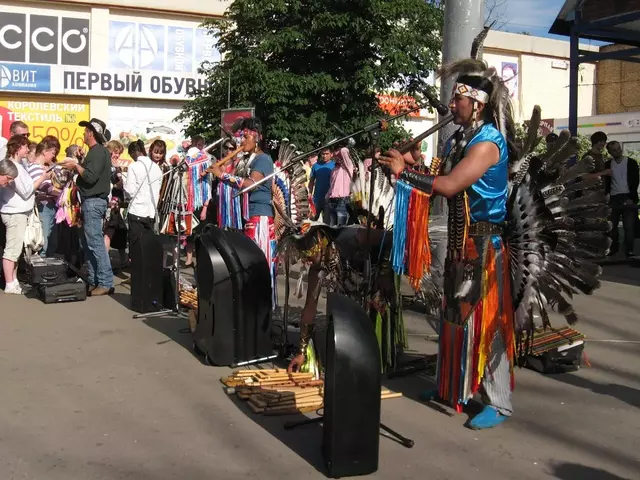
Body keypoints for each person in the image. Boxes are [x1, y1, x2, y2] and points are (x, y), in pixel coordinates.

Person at [379, 61, 516, 430]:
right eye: (453, 98)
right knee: (454, 319)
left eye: (458, 99)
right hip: (460, 243)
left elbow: (451, 185)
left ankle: (499, 402)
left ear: (478, 104)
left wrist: (404, 173)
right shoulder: (460, 139)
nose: (452, 105)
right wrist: (413, 162)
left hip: (484, 245)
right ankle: (453, 388)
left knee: (489, 325)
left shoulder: (487, 143)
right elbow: (437, 174)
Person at [209, 117, 277, 304]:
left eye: (246, 137)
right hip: (250, 217)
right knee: (249, 264)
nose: (242, 142)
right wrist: (220, 175)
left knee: (259, 264)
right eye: (241, 137)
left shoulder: (263, 159)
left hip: (261, 219)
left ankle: (265, 308)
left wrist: (222, 175)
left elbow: (251, 185)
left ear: (257, 138)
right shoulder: (250, 160)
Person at [61, 118, 113, 296]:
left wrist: (76, 165)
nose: (83, 133)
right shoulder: (96, 152)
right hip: (90, 201)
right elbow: (91, 174)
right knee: (89, 244)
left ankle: (105, 282)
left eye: (86, 131)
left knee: (95, 244)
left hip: (93, 201)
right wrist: (82, 161)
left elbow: (90, 177)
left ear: (91, 133)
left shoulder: (98, 152)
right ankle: (94, 279)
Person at [0, 135, 50, 293]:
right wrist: (43, 177)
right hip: (15, 212)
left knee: (15, 250)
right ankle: (10, 283)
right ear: (17, 148)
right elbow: (26, 191)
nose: (28, 150)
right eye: (25, 147)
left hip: (18, 211)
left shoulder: (18, 165)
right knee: (12, 250)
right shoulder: (12, 166)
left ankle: (13, 282)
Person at [123, 140, 162, 264]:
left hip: (137, 211)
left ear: (133, 153)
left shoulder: (134, 166)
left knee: (136, 247)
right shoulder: (156, 167)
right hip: (151, 213)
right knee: (147, 247)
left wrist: (122, 182)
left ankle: (137, 276)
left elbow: (129, 190)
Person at [26, 136, 61, 257]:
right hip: (44, 208)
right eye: (53, 152)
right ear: (45, 151)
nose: (53, 156)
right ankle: (41, 270)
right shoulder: (35, 167)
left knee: (52, 242)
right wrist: (63, 194)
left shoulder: (43, 168)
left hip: (49, 207)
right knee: (44, 243)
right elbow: (45, 188)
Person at [604, 141, 639, 258]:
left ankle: (629, 251)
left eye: (618, 148)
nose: (618, 151)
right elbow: (606, 183)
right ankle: (613, 248)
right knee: (612, 226)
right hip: (613, 197)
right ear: (609, 152)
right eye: (614, 150)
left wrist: (631, 198)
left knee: (629, 227)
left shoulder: (631, 163)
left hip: (628, 196)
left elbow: (635, 182)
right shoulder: (607, 165)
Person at [104, 140, 128, 269]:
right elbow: (116, 183)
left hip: (118, 203)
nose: (118, 156)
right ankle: (105, 263)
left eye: (119, 154)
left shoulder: (115, 166)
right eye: (116, 153)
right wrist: (117, 180)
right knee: (108, 233)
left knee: (120, 232)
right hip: (110, 203)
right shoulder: (107, 165)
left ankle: (123, 260)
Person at [325, 146, 354, 227]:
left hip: (342, 200)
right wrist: (327, 195)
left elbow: (344, 151)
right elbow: (332, 185)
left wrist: (338, 147)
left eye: (338, 154)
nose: (336, 156)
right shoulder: (334, 169)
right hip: (331, 200)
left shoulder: (348, 167)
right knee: (332, 227)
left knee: (341, 228)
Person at [309, 147, 334, 222]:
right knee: (312, 221)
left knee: (327, 223)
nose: (324, 156)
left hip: (329, 199)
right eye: (323, 153)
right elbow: (311, 181)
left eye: (327, 154)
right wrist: (310, 193)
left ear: (331, 154)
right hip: (317, 199)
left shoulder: (335, 165)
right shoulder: (315, 166)